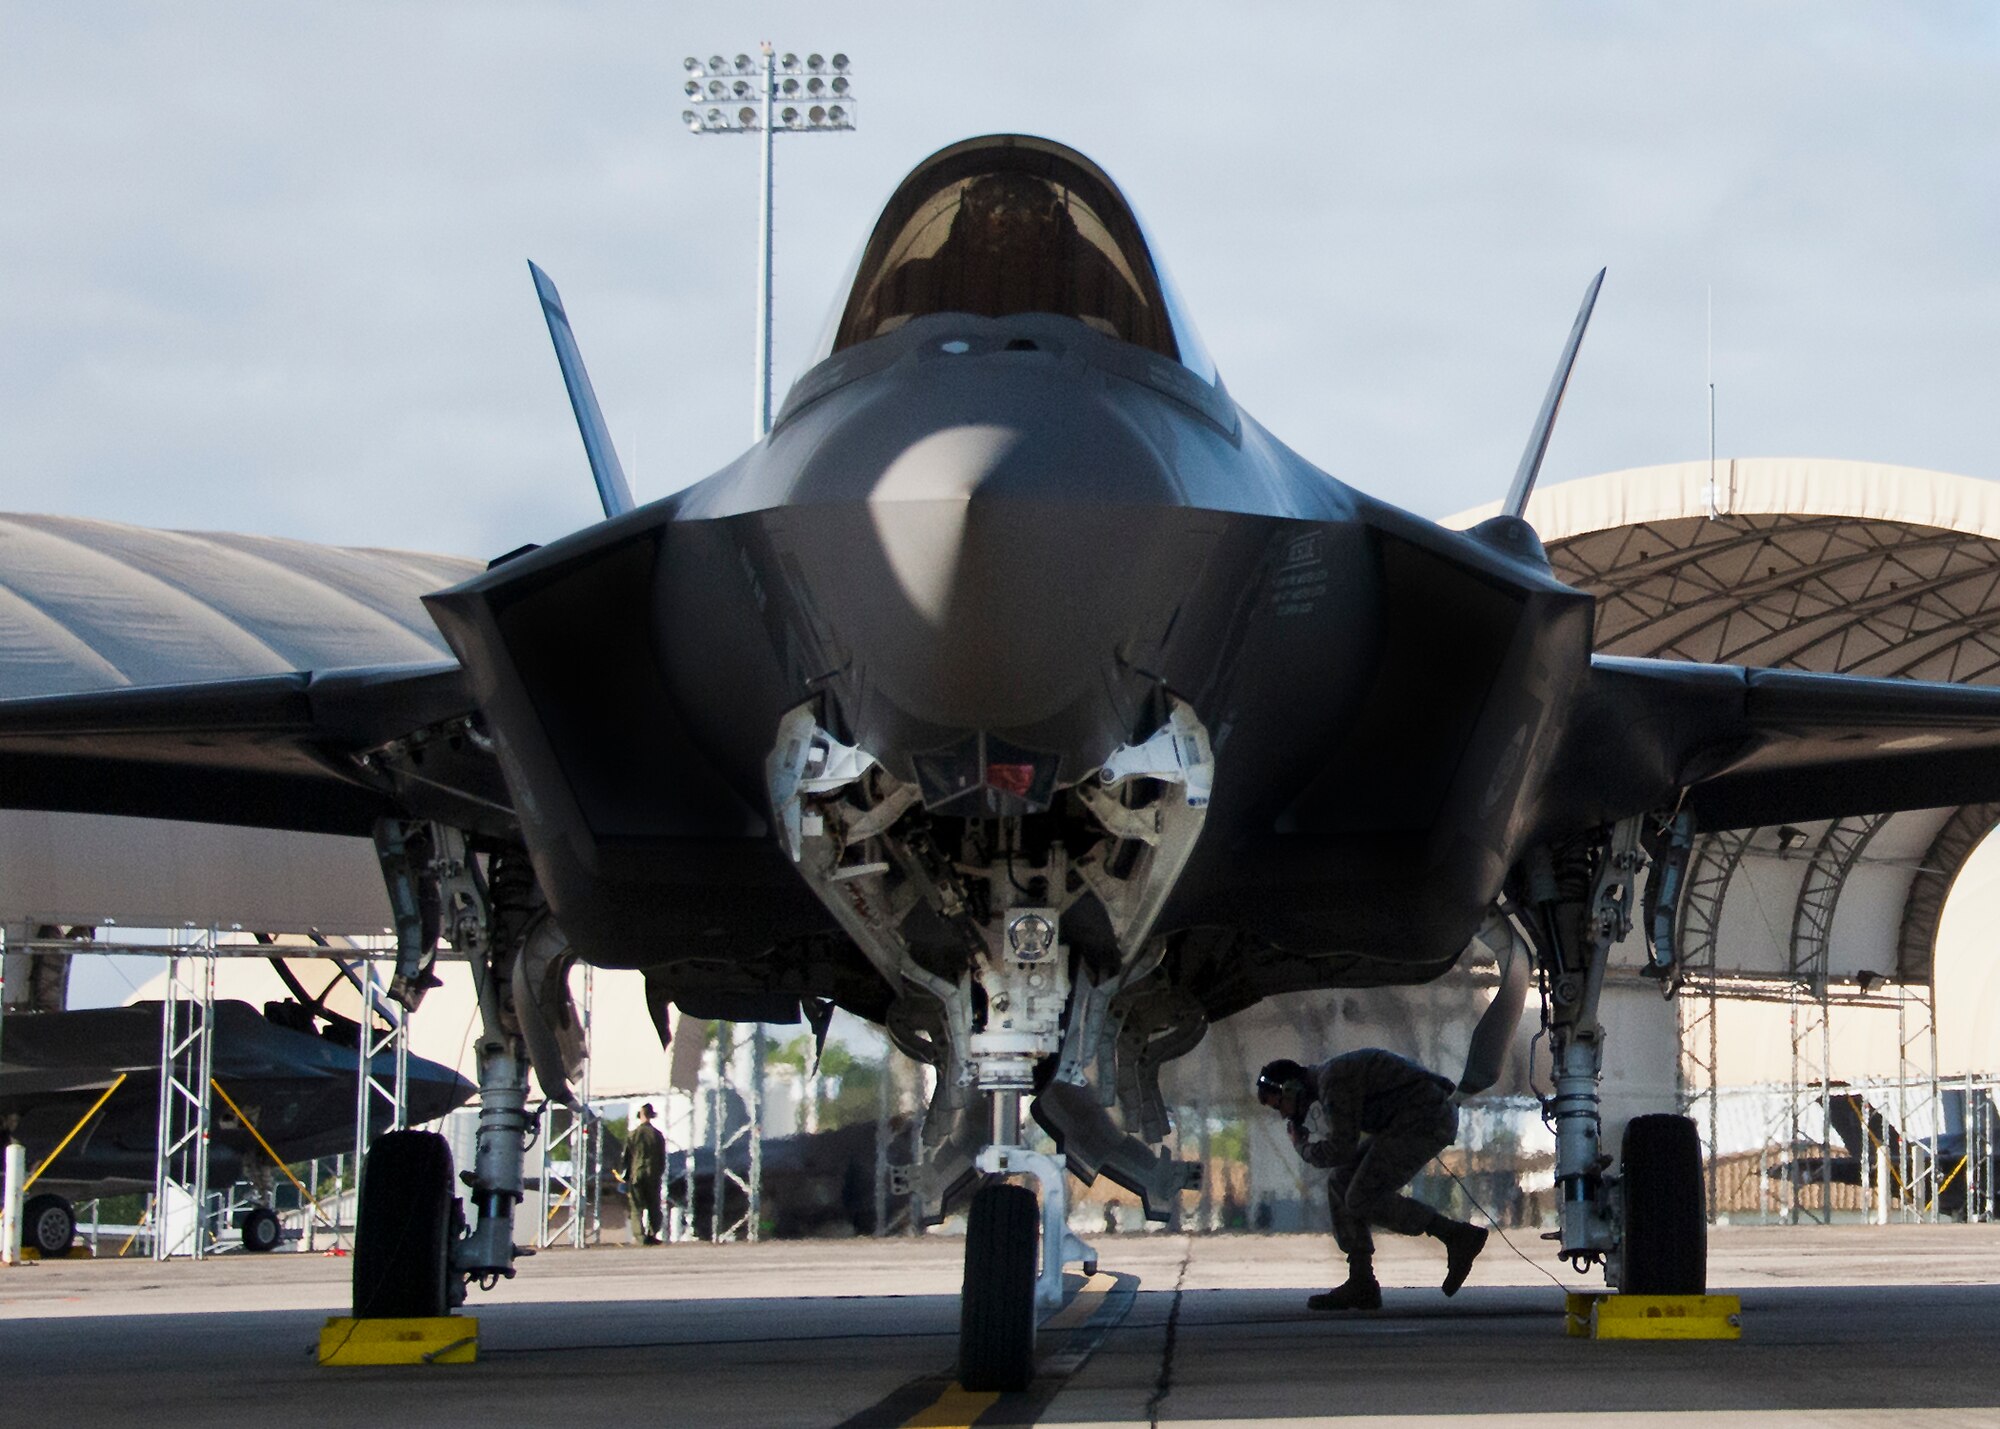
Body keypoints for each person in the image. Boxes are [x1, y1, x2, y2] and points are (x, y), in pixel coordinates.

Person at [1257, 1051, 1488, 1311]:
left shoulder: (1333, 1082)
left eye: (1279, 1105)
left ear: (1291, 1089)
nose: (1282, 1114)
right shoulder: (1331, 1078)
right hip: (1417, 1118)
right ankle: (1361, 1280)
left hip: (1424, 1121)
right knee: (1341, 1182)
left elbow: (1341, 1148)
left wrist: (1303, 1148)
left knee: (1361, 1197)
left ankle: (1455, 1235)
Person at [623, 1102, 666, 1245]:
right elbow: (662, 1158)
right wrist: (659, 1173)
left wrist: (626, 1176)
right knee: (654, 1205)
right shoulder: (658, 1135)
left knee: (636, 1207)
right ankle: (652, 1234)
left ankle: (640, 1237)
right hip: (653, 1174)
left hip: (637, 1174)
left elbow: (626, 1158)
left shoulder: (633, 1135)